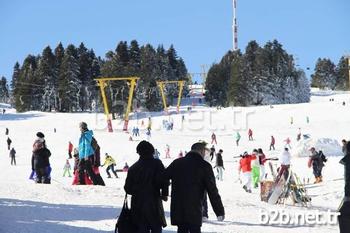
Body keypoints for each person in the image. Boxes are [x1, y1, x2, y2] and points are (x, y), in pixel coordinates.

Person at [165, 142, 225, 233]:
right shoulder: (205, 166)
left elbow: (163, 178)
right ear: (201, 151)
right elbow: (212, 190)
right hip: (194, 208)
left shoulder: (177, 163)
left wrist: (164, 193)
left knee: (181, 229)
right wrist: (219, 211)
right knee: (195, 229)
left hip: (178, 208)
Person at [124, 141, 169, 233]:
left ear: (138, 152)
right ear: (152, 151)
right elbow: (164, 180)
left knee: (141, 227)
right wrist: (164, 194)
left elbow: (127, 189)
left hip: (137, 203)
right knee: (156, 226)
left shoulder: (133, 168)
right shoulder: (157, 164)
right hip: (154, 201)